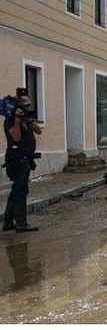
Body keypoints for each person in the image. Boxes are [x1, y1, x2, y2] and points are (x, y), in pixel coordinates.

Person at [2, 95, 42, 232]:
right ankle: (21, 223)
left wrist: (29, 119)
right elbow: (16, 138)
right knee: (20, 191)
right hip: (17, 159)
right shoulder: (10, 121)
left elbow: (38, 131)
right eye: (24, 106)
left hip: (25, 159)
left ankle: (8, 222)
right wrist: (17, 120)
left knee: (17, 190)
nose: (26, 109)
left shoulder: (26, 119)